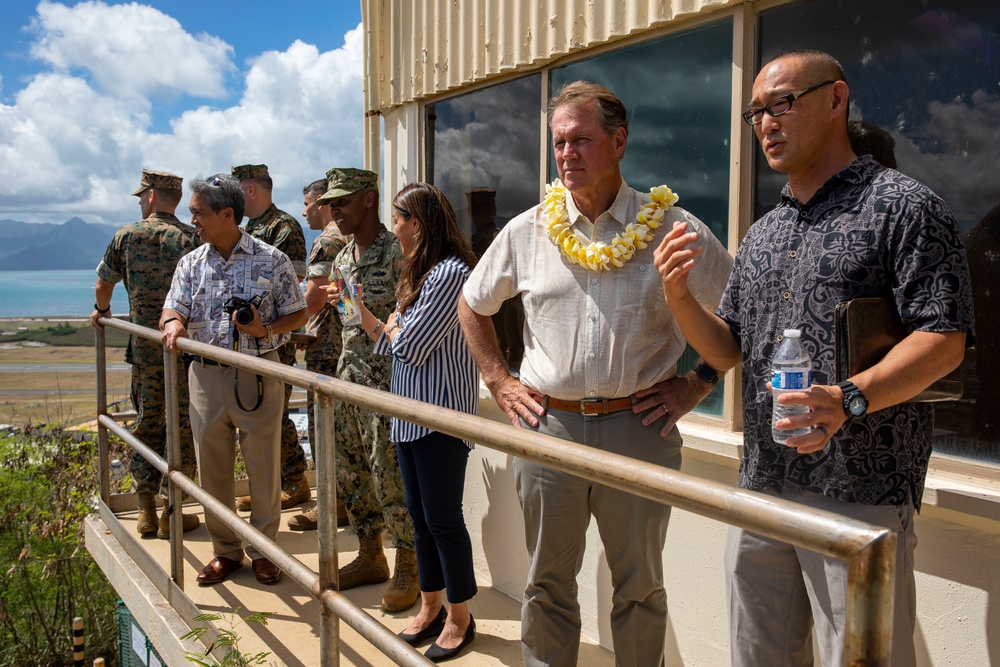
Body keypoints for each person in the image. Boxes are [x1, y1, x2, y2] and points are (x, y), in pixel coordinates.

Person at [653, 50, 974, 666]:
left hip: (859, 490)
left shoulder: (905, 208)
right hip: (762, 486)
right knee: (758, 657)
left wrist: (848, 398)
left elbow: (944, 340)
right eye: (755, 113)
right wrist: (679, 299)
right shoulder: (765, 233)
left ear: (836, 99)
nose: (767, 123)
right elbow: (729, 348)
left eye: (782, 103)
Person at [458, 81, 733, 667]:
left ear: (619, 141)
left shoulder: (673, 227)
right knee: (546, 585)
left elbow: (740, 317)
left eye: (581, 139)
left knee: (640, 588)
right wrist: (500, 381)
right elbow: (472, 302)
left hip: (640, 428)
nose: (567, 154)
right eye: (559, 142)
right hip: (549, 429)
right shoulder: (528, 230)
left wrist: (698, 383)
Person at [161, 173, 308, 587]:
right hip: (205, 376)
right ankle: (225, 552)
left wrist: (266, 331)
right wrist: (172, 325)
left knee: (263, 466)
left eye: (198, 213)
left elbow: (298, 313)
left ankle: (264, 551)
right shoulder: (190, 263)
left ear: (228, 214)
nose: (193, 221)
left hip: (258, 374)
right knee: (213, 469)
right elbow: (174, 308)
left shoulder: (271, 259)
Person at [354, 183, 480, 662]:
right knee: (420, 520)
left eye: (398, 218)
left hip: (439, 417)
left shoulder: (450, 274)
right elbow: (389, 342)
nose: (393, 228)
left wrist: (393, 325)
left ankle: (460, 618)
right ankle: (430, 607)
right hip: (409, 416)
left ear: (418, 224)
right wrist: (367, 313)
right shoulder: (419, 275)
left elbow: (409, 346)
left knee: (444, 521)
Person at [316, 167, 418, 612]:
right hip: (349, 377)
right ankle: (370, 555)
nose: (333, 209)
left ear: (369, 200)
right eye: (330, 202)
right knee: (352, 470)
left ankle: (410, 566)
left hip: (389, 385)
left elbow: (409, 322)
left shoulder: (399, 252)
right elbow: (345, 315)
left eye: (342, 201)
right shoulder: (342, 259)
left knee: (389, 473)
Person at [91, 169, 200, 539]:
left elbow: (104, 283)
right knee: (181, 427)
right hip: (183, 351)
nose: (140, 202)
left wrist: (102, 312)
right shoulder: (192, 238)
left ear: (151, 196)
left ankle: (145, 510)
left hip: (145, 351)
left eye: (141, 197)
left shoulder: (126, 236)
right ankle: (173, 511)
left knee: (148, 422)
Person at [231, 163, 311, 513]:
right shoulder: (249, 228)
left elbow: (288, 284)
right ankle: (273, 484)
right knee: (256, 416)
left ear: (250, 189)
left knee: (274, 413)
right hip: (248, 339)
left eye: (236, 190)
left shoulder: (284, 227)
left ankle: (294, 481)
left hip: (275, 336)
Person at [287, 178, 349, 532]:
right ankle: (341, 500)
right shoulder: (350, 236)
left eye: (308, 203)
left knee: (324, 430)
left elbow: (311, 299)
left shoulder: (327, 240)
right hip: (342, 344)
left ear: (322, 202)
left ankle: (330, 504)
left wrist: (282, 327)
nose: (304, 210)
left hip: (328, 349)